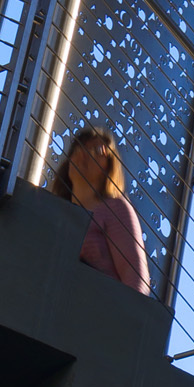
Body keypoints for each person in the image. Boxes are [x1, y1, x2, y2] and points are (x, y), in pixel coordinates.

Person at [56, 126, 150, 294]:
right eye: (80, 146)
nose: (85, 152)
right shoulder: (56, 211)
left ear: (110, 166)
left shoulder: (115, 209)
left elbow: (135, 277)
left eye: (98, 149)